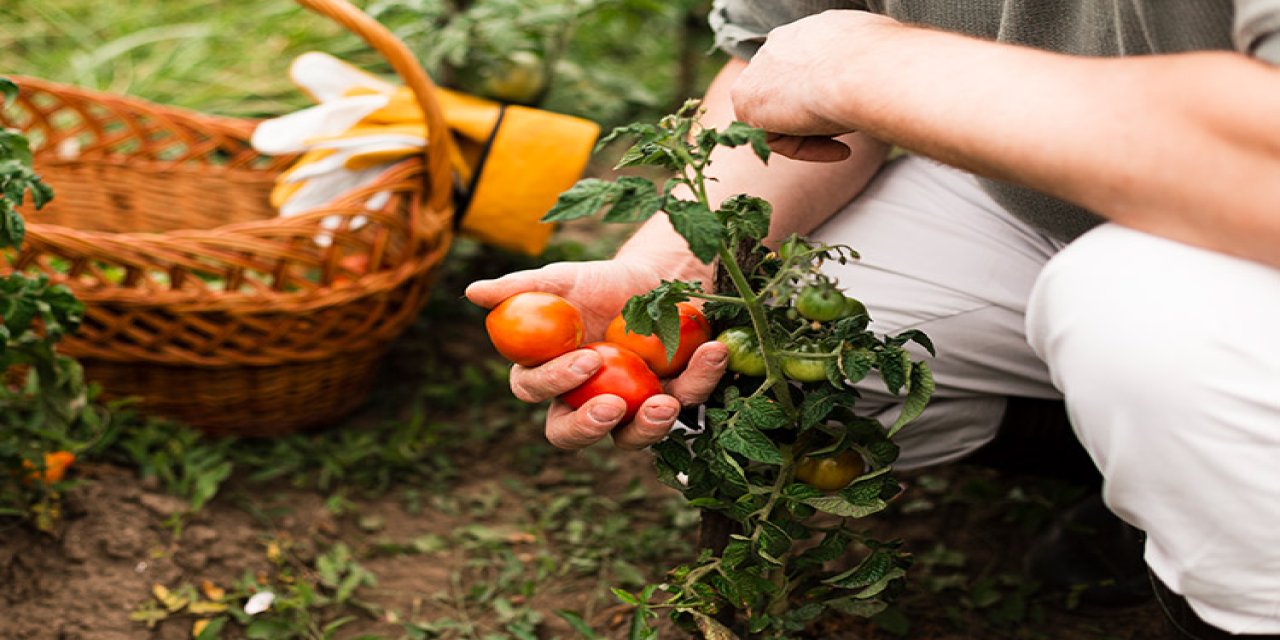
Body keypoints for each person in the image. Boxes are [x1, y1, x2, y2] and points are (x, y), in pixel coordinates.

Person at [466, 2, 1280, 638]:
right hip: (1030, 190)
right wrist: (666, 279)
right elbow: (783, 65)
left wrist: (874, 64)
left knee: (1139, 315)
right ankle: (1140, 479)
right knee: (748, 373)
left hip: (1251, 223)